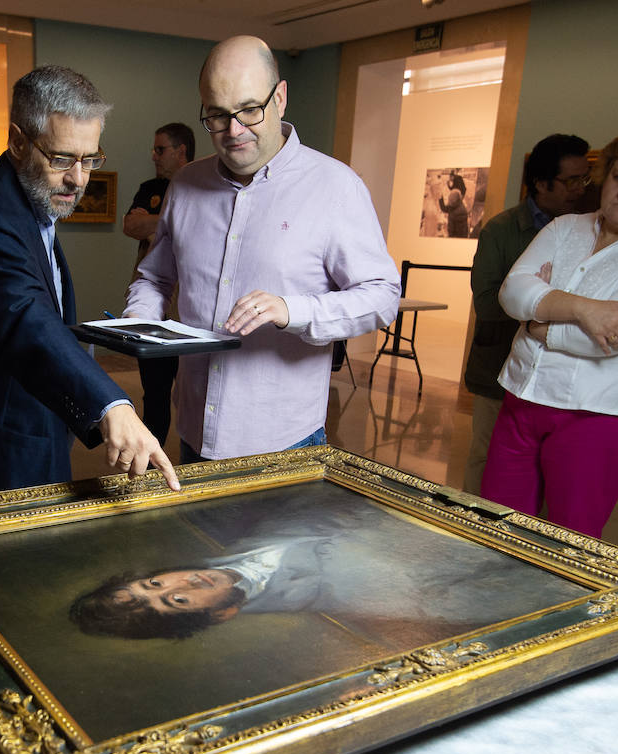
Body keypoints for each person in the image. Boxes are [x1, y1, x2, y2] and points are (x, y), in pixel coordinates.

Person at [125, 36, 399, 463]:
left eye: (250, 110)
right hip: (195, 430)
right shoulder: (185, 185)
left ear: (281, 97)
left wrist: (294, 310)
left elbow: (383, 296)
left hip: (285, 440)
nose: (234, 131)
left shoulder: (336, 186)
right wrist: (139, 320)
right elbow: (155, 277)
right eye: (217, 115)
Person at [0, 66, 179, 498]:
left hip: (35, 424)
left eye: (90, 159)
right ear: (18, 140)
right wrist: (112, 405)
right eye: (61, 159)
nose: (79, 178)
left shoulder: (28, 200)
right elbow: (26, 318)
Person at [480, 126, 618, 538]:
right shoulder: (564, 228)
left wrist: (538, 320)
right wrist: (583, 308)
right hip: (523, 398)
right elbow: (512, 292)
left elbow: (613, 339)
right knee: (495, 529)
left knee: (568, 540)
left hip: (600, 415)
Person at [68, 482, 585, 642]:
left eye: (154, 581)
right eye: (177, 599)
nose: (181, 581)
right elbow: (551, 594)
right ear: (220, 614)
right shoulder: (359, 595)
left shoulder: (233, 524)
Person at [462, 133, 591, 494]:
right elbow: (486, 304)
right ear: (540, 183)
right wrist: (543, 302)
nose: (580, 188)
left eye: (585, 178)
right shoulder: (502, 230)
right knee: (487, 459)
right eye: (571, 180)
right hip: (498, 367)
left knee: (550, 470)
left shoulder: (587, 232)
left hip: (558, 370)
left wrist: (541, 300)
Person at [122, 122, 194, 444]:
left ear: (181, 151)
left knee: (193, 392)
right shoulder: (149, 187)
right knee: (155, 392)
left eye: (160, 149)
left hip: (188, 310)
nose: (154, 156)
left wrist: (156, 225)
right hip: (151, 300)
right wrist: (170, 224)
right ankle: (152, 460)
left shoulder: (199, 187)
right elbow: (131, 225)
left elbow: (183, 230)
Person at [438, 171, 469, 238]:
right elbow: (453, 189)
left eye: (450, 178)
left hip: (455, 237)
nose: (450, 179)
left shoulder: (452, 210)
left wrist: (440, 198)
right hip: (463, 235)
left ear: (452, 176)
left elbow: (444, 208)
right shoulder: (462, 208)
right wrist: (449, 185)